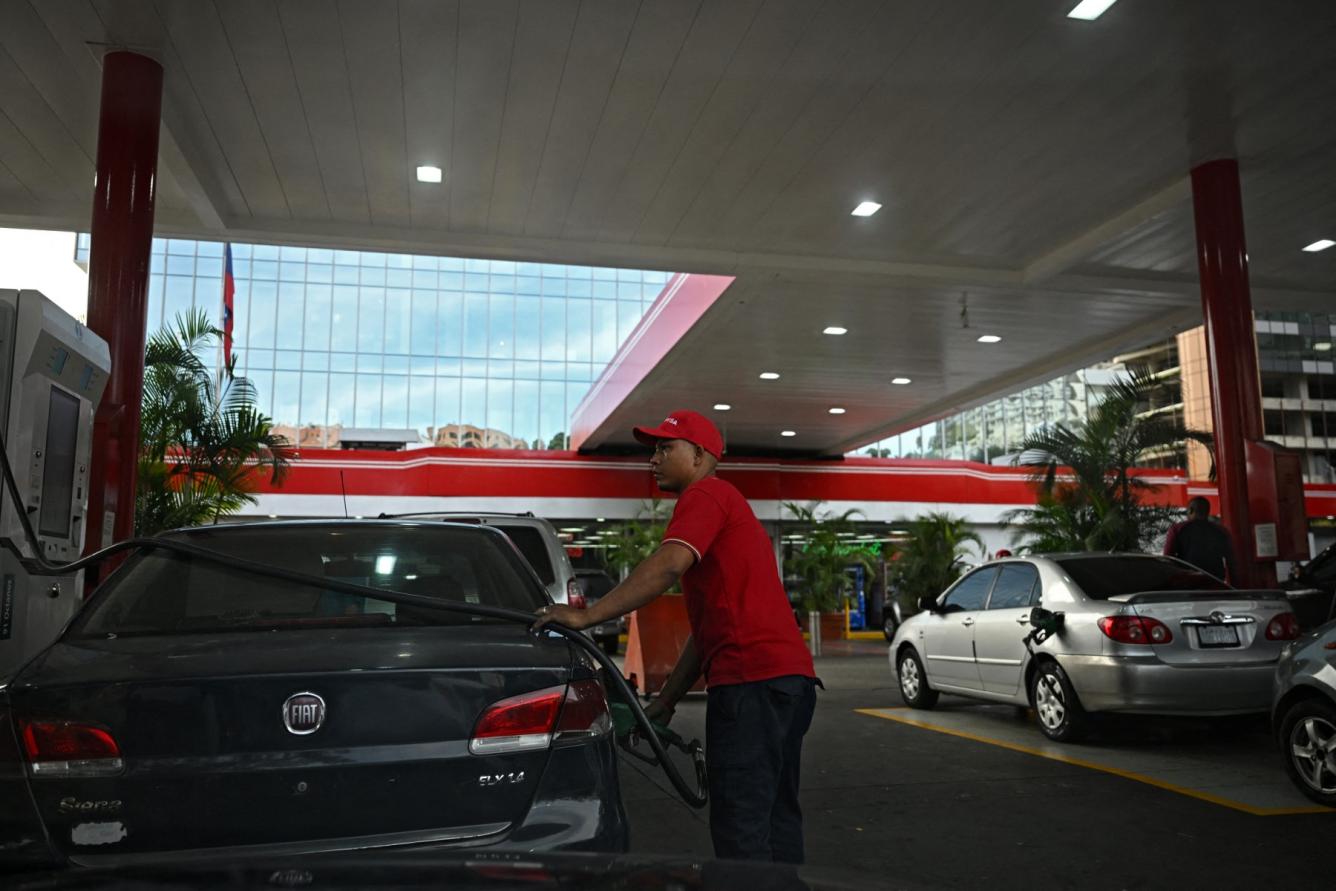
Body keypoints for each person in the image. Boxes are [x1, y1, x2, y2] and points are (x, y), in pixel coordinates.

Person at [532, 409, 818, 864]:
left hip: (751, 686)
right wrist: (666, 701)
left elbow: (667, 565)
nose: (654, 459)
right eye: (654, 450)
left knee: (741, 827)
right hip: (785, 682)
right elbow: (708, 633)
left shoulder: (706, 494)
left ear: (700, 455)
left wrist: (587, 617)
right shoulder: (726, 502)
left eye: (666, 448)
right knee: (774, 817)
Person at [1163, 496, 1238, 582]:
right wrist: (1235, 588)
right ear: (1207, 512)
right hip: (1215, 583)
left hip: (1187, 584)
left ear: (1190, 510)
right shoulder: (1221, 531)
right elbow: (1232, 563)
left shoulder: (1177, 529)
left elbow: (1168, 559)